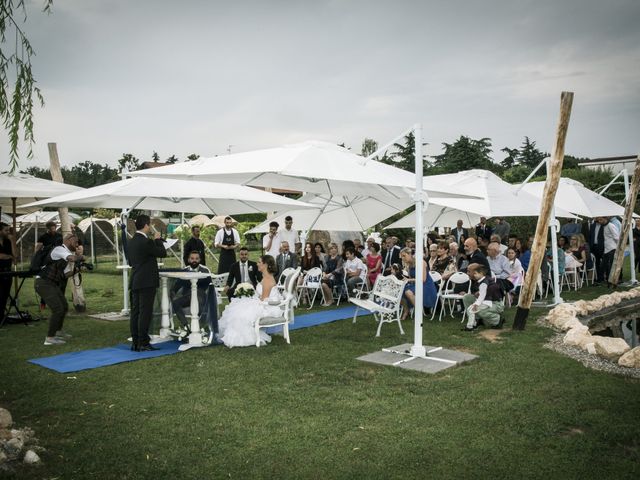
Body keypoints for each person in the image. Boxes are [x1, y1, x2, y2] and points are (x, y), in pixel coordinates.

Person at [218, 255, 282, 348]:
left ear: (265, 265)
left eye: (259, 262)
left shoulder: (268, 280)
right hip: (262, 302)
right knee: (238, 307)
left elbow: (264, 300)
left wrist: (251, 300)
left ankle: (242, 338)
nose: (257, 264)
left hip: (267, 306)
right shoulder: (265, 277)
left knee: (241, 312)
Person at [34, 233, 84, 345]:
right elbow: (72, 258)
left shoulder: (64, 253)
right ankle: (49, 338)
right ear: (67, 240)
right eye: (76, 242)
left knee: (64, 306)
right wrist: (80, 256)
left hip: (51, 284)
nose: (77, 245)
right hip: (43, 283)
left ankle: (58, 331)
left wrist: (78, 270)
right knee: (58, 309)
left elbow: (64, 275)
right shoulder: (59, 249)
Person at [128, 215, 167, 352]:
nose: (150, 227)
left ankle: (136, 341)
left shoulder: (131, 241)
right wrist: (157, 240)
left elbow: (130, 262)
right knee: (145, 313)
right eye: (149, 225)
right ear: (146, 225)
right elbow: (162, 253)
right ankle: (143, 342)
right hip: (147, 281)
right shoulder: (147, 242)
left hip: (135, 280)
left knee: (136, 312)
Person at [170, 251, 212, 332]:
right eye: (192, 258)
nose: (194, 260)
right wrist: (173, 294)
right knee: (175, 303)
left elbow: (210, 285)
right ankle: (186, 326)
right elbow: (176, 287)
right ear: (189, 260)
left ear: (200, 260)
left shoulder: (205, 270)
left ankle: (200, 326)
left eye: (196, 258)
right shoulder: (184, 271)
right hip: (187, 297)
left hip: (201, 297)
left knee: (197, 293)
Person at [461, 265, 505, 331]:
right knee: (467, 297)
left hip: (496, 303)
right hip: (485, 300)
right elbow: (480, 294)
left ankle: (497, 320)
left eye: (469, 271)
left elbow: (484, 296)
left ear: (480, 273)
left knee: (478, 310)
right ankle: (476, 320)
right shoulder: (480, 279)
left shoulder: (485, 282)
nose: (467, 273)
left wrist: (476, 304)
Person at [399, 247, 438, 320]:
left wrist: (409, 279)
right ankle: (406, 311)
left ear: (410, 254)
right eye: (402, 257)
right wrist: (406, 279)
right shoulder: (409, 265)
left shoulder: (421, 262)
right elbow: (411, 279)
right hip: (416, 284)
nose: (403, 258)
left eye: (404, 256)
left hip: (426, 286)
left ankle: (418, 313)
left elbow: (423, 279)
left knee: (408, 292)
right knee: (400, 291)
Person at [0, 223, 17, 325]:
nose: (8, 232)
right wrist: (9, 256)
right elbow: (1, 256)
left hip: (7, 271)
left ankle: (2, 318)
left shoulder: (8, 241)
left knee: (5, 295)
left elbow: (15, 255)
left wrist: (12, 241)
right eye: (6, 230)